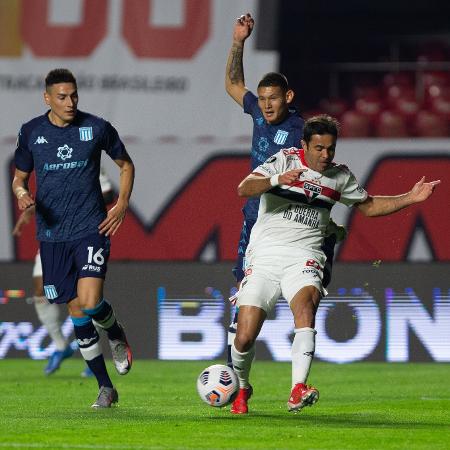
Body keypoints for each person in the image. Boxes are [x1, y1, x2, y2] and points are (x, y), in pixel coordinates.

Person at [230, 114, 440, 414]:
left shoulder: (340, 176)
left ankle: (297, 388)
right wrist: (277, 179)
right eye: (319, 148)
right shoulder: (284, 161)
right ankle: (242, 385)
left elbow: (368, 206)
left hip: (305, 255)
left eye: (330, 148)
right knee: (245, 335)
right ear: (304, 145)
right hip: (265, 255)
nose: (325, 155)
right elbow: (244, 188)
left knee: (306, 307)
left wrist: (410, 197)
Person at [225, 13, 345, 366]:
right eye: (262, 98)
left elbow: (321, 177)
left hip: (291, 229)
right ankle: (237, 379)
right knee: (242, 297)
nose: (265, 104)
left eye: (273, 98)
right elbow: (233, 85)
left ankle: (295, 365)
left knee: (300, 301)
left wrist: (326, 222)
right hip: (255, 221)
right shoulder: (259, 116)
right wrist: (238, 42)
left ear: (287, 96)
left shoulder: (302, 133)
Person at [12, 68, 135, 408]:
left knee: (91, 300)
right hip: (52, 237)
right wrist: (22, 193)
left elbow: (126, 165)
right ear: (47, 98)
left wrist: (122, 203)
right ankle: (106, 388)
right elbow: (19, 178)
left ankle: (115, 332)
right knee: (77, 310)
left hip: (90, 229)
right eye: (62, 97)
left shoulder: (95, 128)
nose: (70, 102)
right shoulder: (32, 132)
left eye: (74, 95)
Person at [13, 168, 114, 378]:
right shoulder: (45, 154)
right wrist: (32, 208)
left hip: (82, 235)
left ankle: (93, 355)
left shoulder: (85, 155)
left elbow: (109, 192)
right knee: (40, 289)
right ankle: (61, 346)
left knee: (86, 299)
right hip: (53, 237)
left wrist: (77, 201)